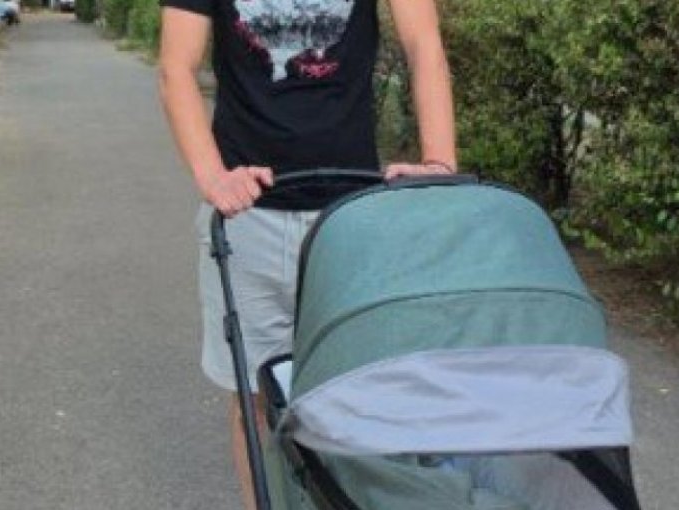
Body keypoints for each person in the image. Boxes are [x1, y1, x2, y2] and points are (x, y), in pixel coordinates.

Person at [158, 0, 457, 508]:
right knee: (255, 401)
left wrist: (439, 162)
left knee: (365, 391)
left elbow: (423, 41)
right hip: (246, 217)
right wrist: (212, 176)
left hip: (353, 216)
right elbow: (176, 68)